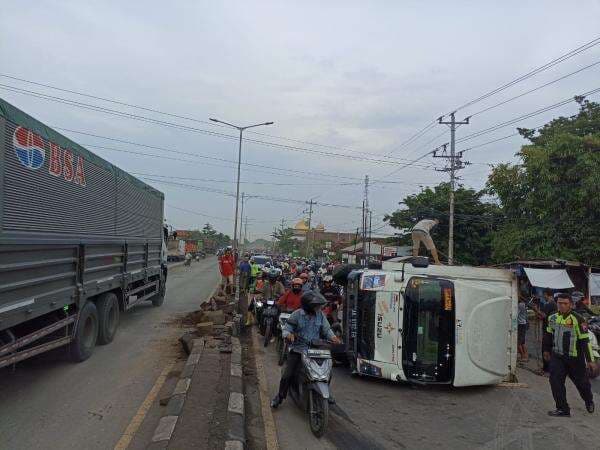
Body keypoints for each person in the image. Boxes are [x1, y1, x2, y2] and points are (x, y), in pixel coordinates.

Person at [271, 291, 341, 408]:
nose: (318, 308)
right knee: (287, 375)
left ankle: (326, 392)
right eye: (316, 305)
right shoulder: (297, 314)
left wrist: (333, 337)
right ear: (308, 306)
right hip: (298, 350)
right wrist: (289, 335)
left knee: (328, 371)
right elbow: (287, 329)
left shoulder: (320, 315)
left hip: (316, 351)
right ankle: (280, 396)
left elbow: (327, 330)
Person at [543, 292, 595, 417]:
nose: (561, 305)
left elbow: (584, 341)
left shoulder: (579, 320)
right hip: (558, 357)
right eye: (559, 303)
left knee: (582, 384)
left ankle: (588, 400)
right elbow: (548, 335)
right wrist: (546, 350)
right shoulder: (552, 317)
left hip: (575, 359)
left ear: (570, 305)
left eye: (565, 303)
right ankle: (563, 409)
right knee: (555, 381)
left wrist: (590, 360)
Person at [517, 297, 529, 362]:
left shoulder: (520, 305)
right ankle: (525, 356)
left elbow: (516, 314)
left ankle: (523, 356)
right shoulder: (525, 304)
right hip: (523, 323)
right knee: (522, 342)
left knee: (518, 342)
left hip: (520, 324)